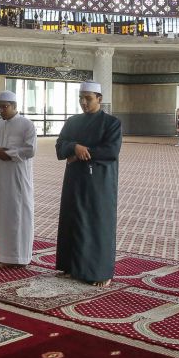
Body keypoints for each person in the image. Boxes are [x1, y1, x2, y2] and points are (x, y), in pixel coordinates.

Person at [55, 81, 122, 287]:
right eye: (81, 99)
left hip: (99, 182)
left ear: (99, 99)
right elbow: (60, 148)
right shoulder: (73, 121)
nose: (83, 102)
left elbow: (111, 151)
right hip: (75, 180)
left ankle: (100, 272)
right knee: (73, 220)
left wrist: (81, 152)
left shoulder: (111, 123)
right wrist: (74, 147)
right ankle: (72, 266)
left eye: (88, 98)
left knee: (96, 223)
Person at [0, 91, 36, 266]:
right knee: (3, 214)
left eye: (4, 107)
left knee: (19, 215)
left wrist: (8, 154)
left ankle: (21, 257)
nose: (1, 110)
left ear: (15, 106)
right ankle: (4, 256)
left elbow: (30, 150)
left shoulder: (27, 125)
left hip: (18, 177)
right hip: (0, 176)